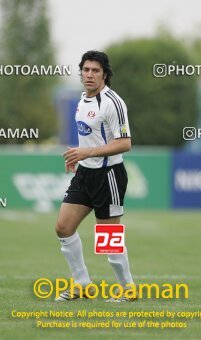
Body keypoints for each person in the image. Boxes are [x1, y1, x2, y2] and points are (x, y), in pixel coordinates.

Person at [55, 50, 135, 302]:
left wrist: (88, 152)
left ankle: (128, 289)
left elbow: (125, 143)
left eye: (95, 70)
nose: (89, 74)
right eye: (86, 69)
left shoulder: (112, 102)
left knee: (109, 241)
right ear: (81, 72)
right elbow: (88, 136)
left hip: (108, 175)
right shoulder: (82, 99)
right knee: (63, 227)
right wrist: (78, 158)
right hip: (85, 174)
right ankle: (81, 283)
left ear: (105, 74)